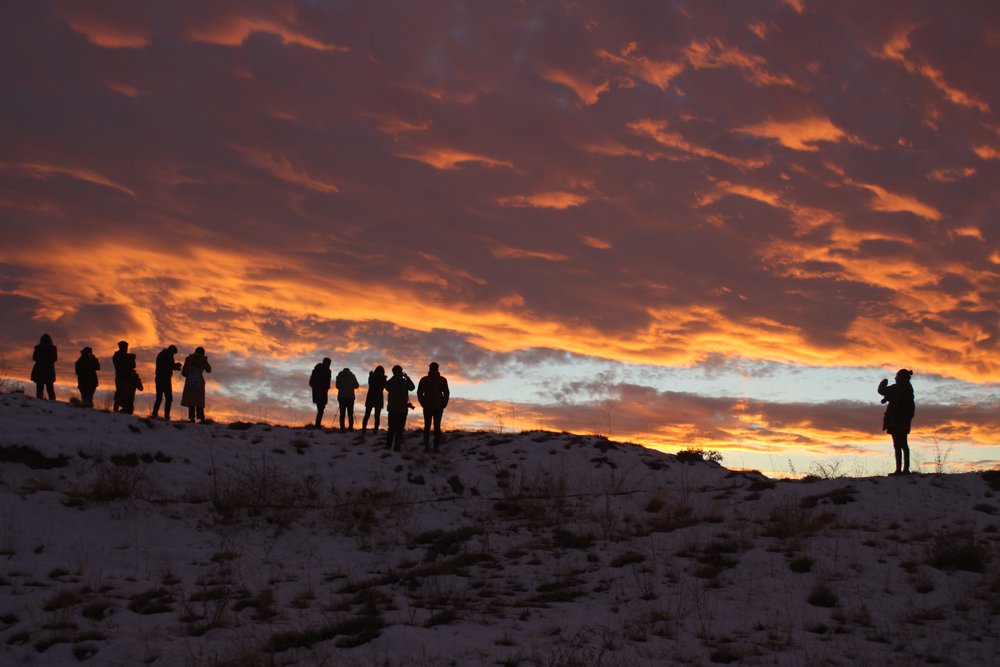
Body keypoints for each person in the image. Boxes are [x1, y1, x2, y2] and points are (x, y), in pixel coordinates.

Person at [877, 369, 915, 475]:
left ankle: (903, 469)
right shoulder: (905, 389)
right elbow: (884, 392)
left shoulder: (901, 389)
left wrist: (883, 383)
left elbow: (882, 391)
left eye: (897, 377)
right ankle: (902, 469)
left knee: (900, 445)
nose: (895, 378)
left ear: (901, 378)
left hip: (898, 421)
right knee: (900, 445)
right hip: (898, 421)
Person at [417, 362, 450, 452]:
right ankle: (433, 447)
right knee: (435, 427)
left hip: (433, 406)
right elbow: (419, 393)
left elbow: (446, 393)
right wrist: (443, 404)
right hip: (434, 406)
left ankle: (429, 447)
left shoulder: (426, 380)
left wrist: (423, 403)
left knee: (429, 427)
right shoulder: (440, 380)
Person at [384, 365, 415, 451]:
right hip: (402, 409)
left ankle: (388, 445)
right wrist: (407, 377)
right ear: (401, 372)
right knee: (400, 429)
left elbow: (386, 387)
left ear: (393, 372)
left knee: (391, 428)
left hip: (392, 408)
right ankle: (397, 447)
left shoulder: (390, 382)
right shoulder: (404, 381)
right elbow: (412, 387)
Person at [181, 347, 212, 422]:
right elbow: (209, 370)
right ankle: (201, 418)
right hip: (199, 383)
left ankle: (192, 418)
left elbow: (184, 373)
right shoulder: (202, 360)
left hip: (190, 382)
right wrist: (205, 361)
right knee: (198, 402)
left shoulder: (189, 359)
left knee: (191, 401)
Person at [152, 345, 182, 420]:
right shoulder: (168, 355)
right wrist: (176, 366)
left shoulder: (161, 354)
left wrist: (175, 366)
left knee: (159, 397)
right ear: (171, 350)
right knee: (169, 398)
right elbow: (170, 365)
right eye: (174, 353)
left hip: (159, 378)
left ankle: (154, 414)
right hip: (165, 379)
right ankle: (166, 416)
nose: (173, 354)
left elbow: (169, 365)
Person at [31, 334, 58, 400]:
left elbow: (34, 358)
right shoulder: (52, 348)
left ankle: (40, 401)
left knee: (40, 388)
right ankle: (52, 401)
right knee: (50, 388)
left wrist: (41, 359)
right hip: (49, 370)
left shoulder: (38, 348)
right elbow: (55, 359)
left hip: (39, 370)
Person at [362, 365, 387, 433]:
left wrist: (371, 375)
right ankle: (375, 431)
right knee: (377, 416)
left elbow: (370, 383)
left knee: (367, 415)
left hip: (371, 397)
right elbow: (385, 386)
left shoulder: (372, 377)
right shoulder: (383, 378)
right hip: (378, 398)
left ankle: (363, 430)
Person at [309, 358, 332, 428]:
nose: (329, 364)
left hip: (319, 392)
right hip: (321, 393)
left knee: (320, 409)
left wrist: (316, 387)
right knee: (321, 409)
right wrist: (323, 387)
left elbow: (311, 382)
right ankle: (317, 425)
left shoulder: (316, 370)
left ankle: (317, 425)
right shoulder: (327, 371)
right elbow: (311, 382)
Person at [335, 367, 360, 432]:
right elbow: (357, 385)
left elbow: (337, 386)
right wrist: (350, 386)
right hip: (350, 397)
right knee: (350, 413)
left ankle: (342, 427)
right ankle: (350, 427)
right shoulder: (352, 376)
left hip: (341, 397)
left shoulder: (339, 376)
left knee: (342, 413)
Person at [112, 341, 130, 412]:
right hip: (121, 376)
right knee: (121, 392)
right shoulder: (118, 356)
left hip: (124, 376)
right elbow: (122, 365)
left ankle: (121, 409)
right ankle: (117, 408)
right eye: (125, 347)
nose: (126, 349)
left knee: (124, 393)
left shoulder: (120, 355)